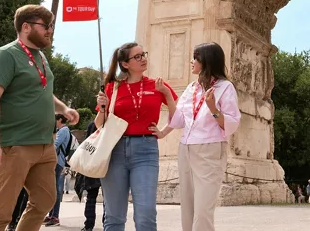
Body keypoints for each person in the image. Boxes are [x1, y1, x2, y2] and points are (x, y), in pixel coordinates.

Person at [0, 5, 80, 231]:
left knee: (45, 200)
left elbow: (42, 89)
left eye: (51, 26)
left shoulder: (41, 57)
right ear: (26, 27)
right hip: (15, 145)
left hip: (45, 146)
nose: (50, 31)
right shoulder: (6, 54)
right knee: (1, 212)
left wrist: (63, 108)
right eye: (45, 26)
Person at [150, 42, 241, 231]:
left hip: (210, 149)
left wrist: (213, 108)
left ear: (206, 61)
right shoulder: (192, 87)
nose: (191, 61)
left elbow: (232, 123)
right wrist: (163, 129)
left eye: (195, 57)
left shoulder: (225, 87)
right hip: (185, 149)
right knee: (188, 208)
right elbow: (180, 118)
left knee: (203, 210)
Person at [94, 42, 178, 231]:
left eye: (144, 54)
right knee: (114, 216)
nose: (143, 59)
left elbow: (179, 115)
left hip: (146, 150)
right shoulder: (112, 87)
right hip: (114, 150)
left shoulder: (157, 84)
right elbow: (99, 124)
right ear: (125, 64)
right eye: (137, 56)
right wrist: (103, 108)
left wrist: (163, 131)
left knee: (146, 214)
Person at [43, 114, 71, 226]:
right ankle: (51, 214)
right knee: (52, 189)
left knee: (55, 189)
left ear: (60, 119)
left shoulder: (63, 130)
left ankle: (55, 216)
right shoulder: (63, 130)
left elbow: (55, 144)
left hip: (57, 161)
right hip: (58, 161)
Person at [77, 120, 104, 231]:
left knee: (91, 197)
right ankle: (107, 223)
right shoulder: (111, 124)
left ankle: (89, 225)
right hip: (107, 162)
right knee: (108, 198)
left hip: (92, 164)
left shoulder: (92, 125)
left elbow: (86, 145)